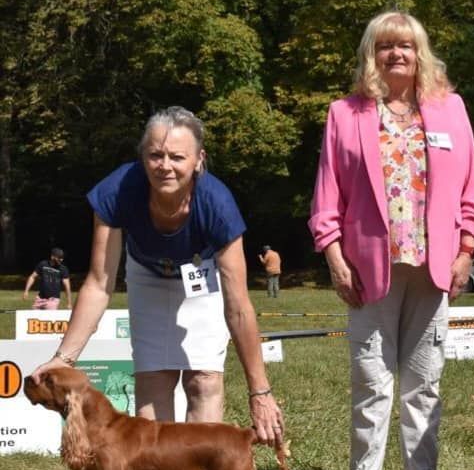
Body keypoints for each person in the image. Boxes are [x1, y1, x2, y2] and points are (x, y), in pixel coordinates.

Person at [309, 11, 474, 470]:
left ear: (420, 53)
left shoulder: (451, 110)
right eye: (386, 45)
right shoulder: (345, 114)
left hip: (433, 267)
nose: (396, 54)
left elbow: (471, 190)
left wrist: (466, 251)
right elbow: (327, 197)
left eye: (406, 46)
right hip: (368, 268)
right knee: (371, 379)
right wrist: (334, 257)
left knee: (424, 379)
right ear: (372, 53)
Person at [30, 106, 284, 445]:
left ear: (198, 160)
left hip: (201, 277)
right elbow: (99, 283)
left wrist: (260, 391)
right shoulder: (117, 191)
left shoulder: (218, 204)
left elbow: (238, 306)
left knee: (204, 381)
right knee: (153, 381)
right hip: (146, 274)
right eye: (155, 155)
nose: (165, 166)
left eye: (177, 157)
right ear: (143, 157)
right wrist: (64, 358)